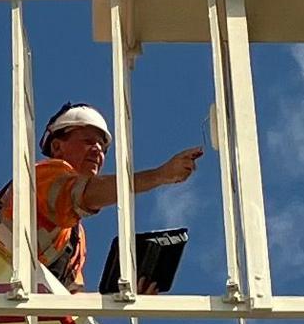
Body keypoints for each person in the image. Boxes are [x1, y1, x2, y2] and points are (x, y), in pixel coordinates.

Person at [29, 104, 200, 292]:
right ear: (56, 146)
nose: (97, 151)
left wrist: (123, 296)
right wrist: (160, 175)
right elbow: (86, 193)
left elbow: (71, 297)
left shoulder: (75, 236)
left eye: (102, 148)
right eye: (88, 141)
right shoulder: (40, 177)